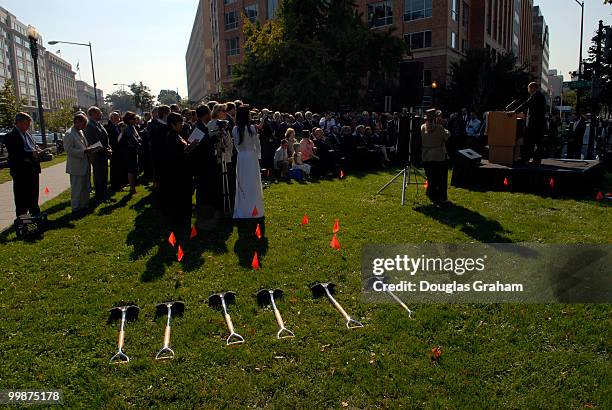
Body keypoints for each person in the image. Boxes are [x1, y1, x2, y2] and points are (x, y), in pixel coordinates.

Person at [4, 112, 42, 217]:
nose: (27, 127)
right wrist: (31, 153)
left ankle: (35, 217)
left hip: (33, 169)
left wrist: (37, 150)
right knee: (22, 200)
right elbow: (16, 154)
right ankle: (23, 221)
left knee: (33, 197)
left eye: (28, 124)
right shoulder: (10, 136)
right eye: (26, 124)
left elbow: (32, 146)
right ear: (19, 122)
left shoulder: (28, 134)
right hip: (21, 172)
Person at [163, 112, 196, 231]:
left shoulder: (177, 134)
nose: (182, 125)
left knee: (185, 195)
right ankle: (181, 220)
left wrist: (189, 147)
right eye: (180, 123)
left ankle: (184, 217)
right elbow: (174, 155)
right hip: (178, 172)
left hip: (183, 170)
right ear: (173, 124)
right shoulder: (171, 136)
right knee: (181, 196)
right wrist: (187, 150)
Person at [232, 105, 264, 219]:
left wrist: (241, 152)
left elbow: (236, 144)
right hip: (251, 156)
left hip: (242, 157)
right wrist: (258, 155)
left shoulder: (235, 129)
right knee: (253, 181)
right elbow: (257, 144)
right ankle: (254, 206)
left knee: (243, 181)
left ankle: (243, 208)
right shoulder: (251, 128)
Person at [64, 113, 92, 213]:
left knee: (85, 187)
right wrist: (83, 151)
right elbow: (68, 150)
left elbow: (83, 145)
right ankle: (76, 208)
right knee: (77, 188)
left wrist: (89, 148)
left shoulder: (80, 132)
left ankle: (84, 205)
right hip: (76, 166)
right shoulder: (69, 134)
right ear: (77, 122)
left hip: (84, 163)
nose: (85, 126)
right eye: (83, 123)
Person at [421, 109, 450, 205]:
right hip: (439, 156)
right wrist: (442, 126)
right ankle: (441, 197)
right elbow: (447, 136)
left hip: (426, 155)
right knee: (441, 178)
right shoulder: (440, 128)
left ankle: (431, 194)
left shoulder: (422, 127)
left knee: (430, 177)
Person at [513, 82, 546, 163]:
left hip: (534, 124)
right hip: (539, 123)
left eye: (529, 88)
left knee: (529, 142)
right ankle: (536, 159)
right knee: (538, 142)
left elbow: (526, 104)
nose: (528, 90)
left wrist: (514, 112)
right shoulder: (540, 96)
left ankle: (525, 158)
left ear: (533, 88)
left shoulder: (536, 95)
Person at [84, 106, 111, 200]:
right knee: (99, 175)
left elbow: (105, 138)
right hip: (97, 154)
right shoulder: (90, 125)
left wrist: (108, 147)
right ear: (93, 114)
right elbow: (94, 142)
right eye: (99, 113)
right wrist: (105, 149)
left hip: (103, 153)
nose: (101, 114)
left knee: (104, 175)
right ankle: (100, 195)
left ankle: (104, 194)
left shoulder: (98, 124)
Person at [119, 111, 142, 194]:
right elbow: (134, 140)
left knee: (133, 169)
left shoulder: (132, 127)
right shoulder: (128, 128)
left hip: (133, 150)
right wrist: (139, 144)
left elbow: (138, 138)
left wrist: (139, 142)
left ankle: (132, 187)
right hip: (129, 152)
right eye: (134, 118)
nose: (135, 119)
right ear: (129, 120)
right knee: (131, 170)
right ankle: (132, 188)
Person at [105, 112, 125, 191]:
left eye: (118, 118)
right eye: (116, 118)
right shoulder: (110, 126)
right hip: (114, 150)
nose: (118, 119)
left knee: (118, 169)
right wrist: (122, 133)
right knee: (114, 169)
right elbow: (114, 140)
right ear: (111, 118)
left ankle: (118, 185)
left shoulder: (115, 125)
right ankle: (115, 186)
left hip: (117, 150)